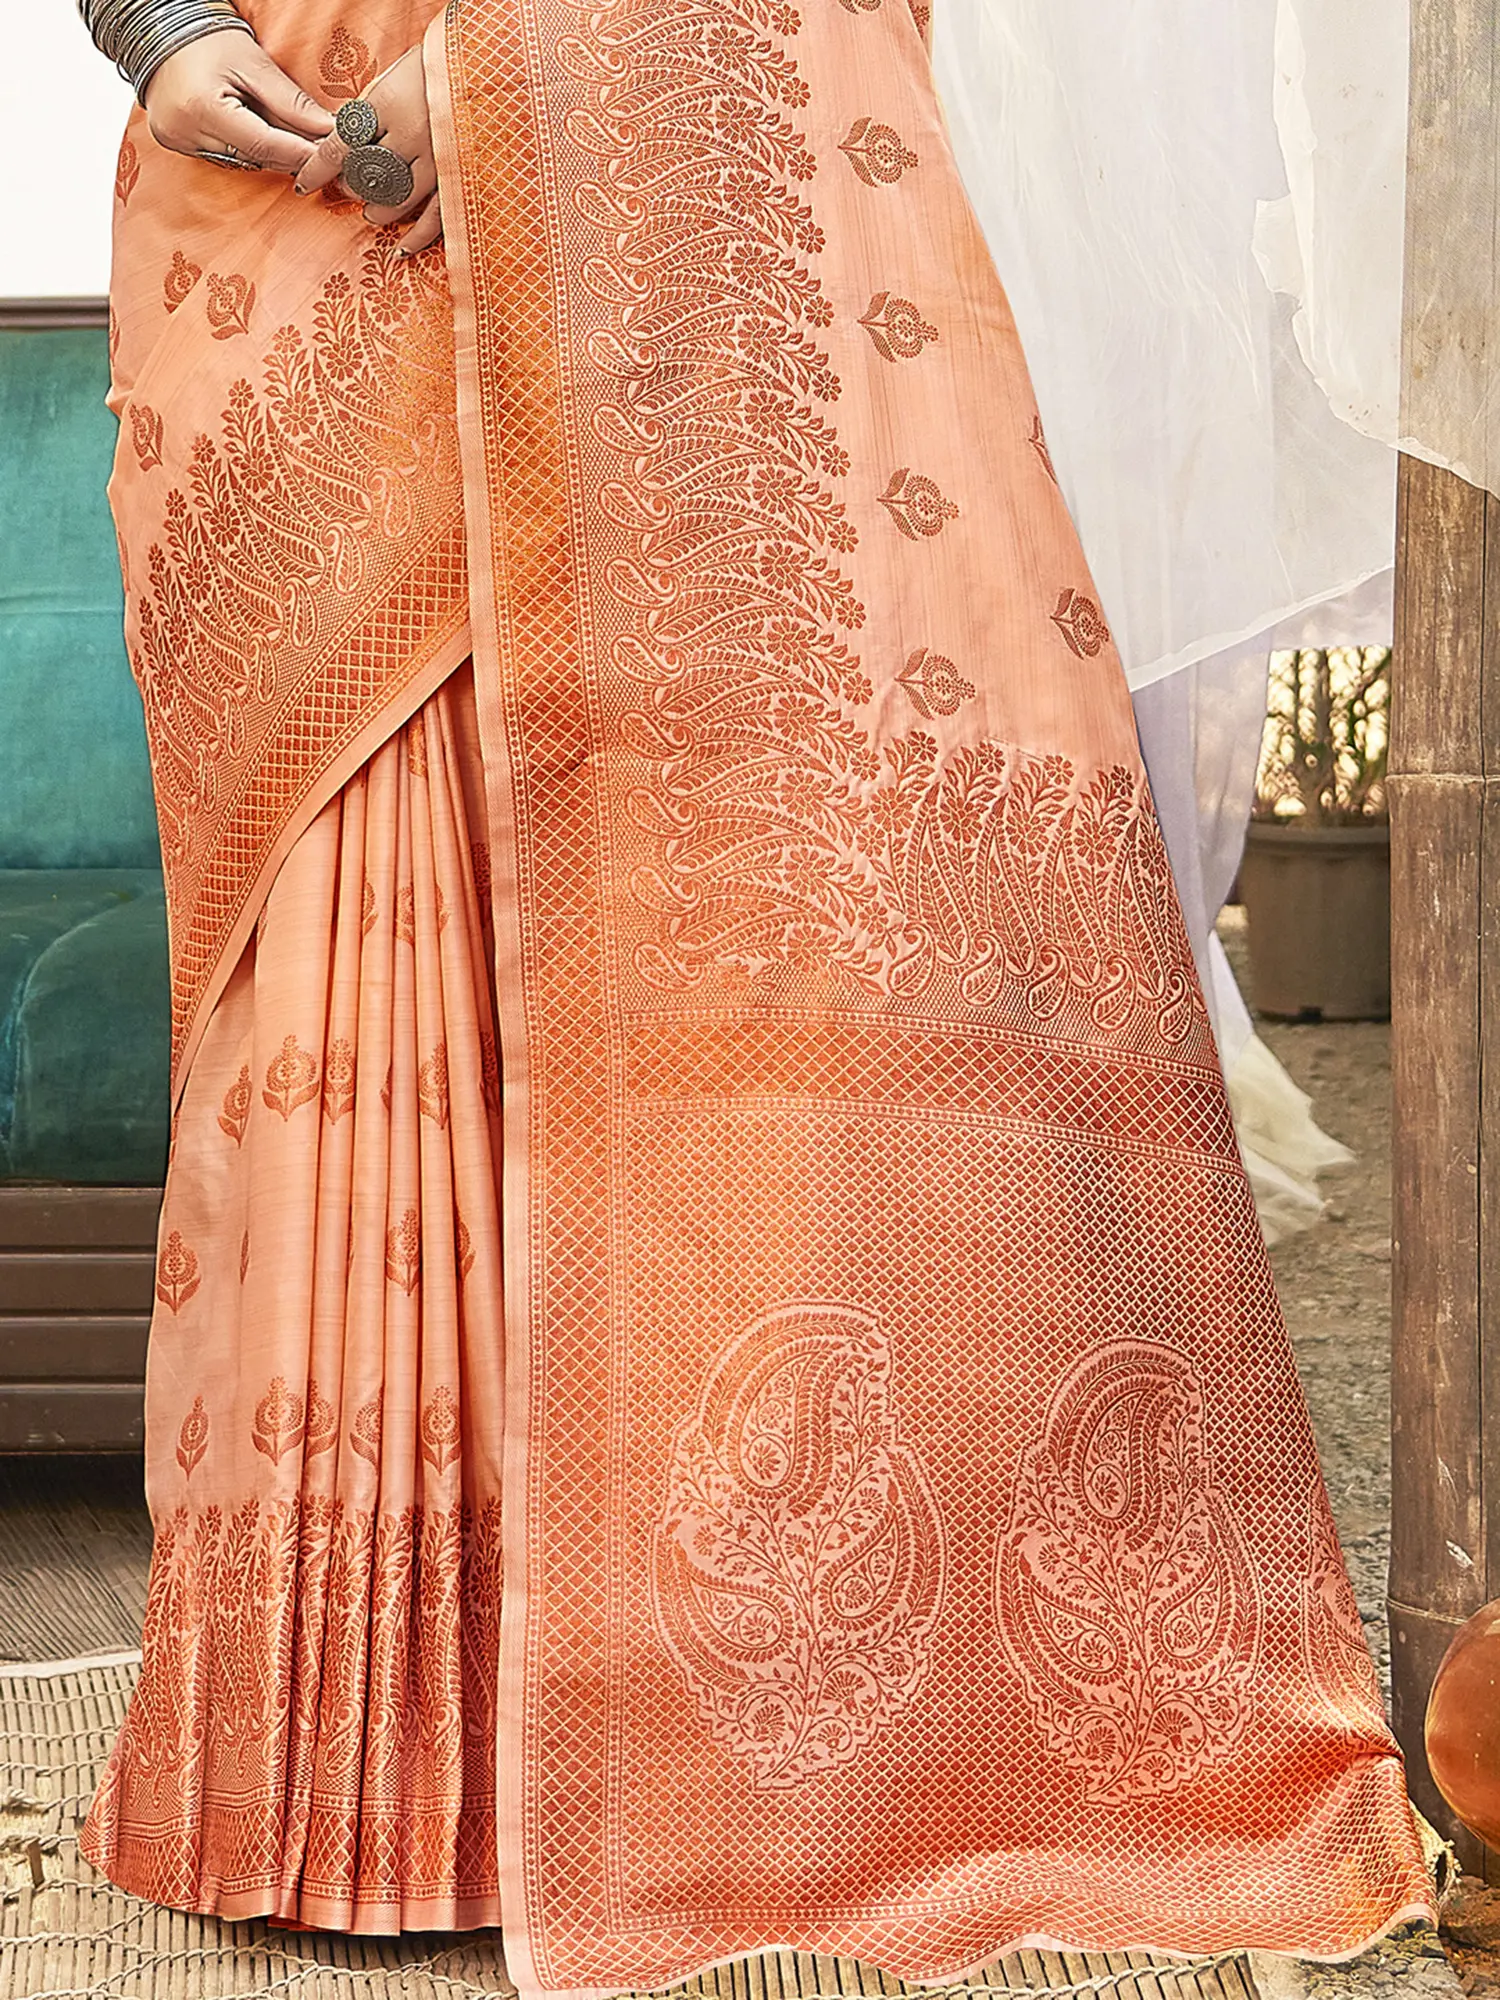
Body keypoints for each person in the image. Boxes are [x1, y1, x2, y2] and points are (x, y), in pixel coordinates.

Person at [74, 0, 1434, 1990]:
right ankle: (370, 1766)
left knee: (737, 886)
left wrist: (528, 66)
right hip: (284, 197)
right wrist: (161, 31)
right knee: (352, 931)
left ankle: (724, 1743)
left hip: (674, 191)